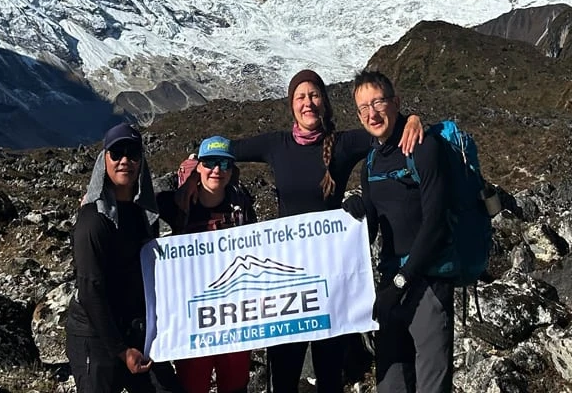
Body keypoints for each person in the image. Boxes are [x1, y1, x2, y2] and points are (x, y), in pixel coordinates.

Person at [177, 69, 423, 393]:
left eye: (314, 95)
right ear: (291, 105)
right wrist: (197, 160)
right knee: (284, 376)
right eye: (300, 97)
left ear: (325, 102)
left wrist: (413, 120)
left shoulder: (343, 144)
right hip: (287, 285)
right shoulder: (277, 145)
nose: (308, 103)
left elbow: (386, 130)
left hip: (331, 282)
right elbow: (230, 148)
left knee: (330, 375)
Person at [348, 70, 453, 393]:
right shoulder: (370, 162)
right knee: (391, 384)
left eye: (378, 102)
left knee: (431, 384)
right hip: (392, 285)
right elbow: (375, 225)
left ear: (395, 103)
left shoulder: (423, 148)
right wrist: (357, 213)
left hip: (428, 282)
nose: (372, 113)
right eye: (363, 107)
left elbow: (435, 223)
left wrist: (402, 280)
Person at [65, 123, 182, 393]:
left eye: (132, 153)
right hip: (94, 333)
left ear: (142, 161)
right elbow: (90, 287)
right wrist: (120, 350)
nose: (125, 161)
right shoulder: (93, 221)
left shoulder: (146, 211)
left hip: (135, 328)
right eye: (116, 153)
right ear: (103, 159)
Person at [169, 136, 257, 393]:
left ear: (232, 170)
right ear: (198, 166)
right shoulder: (175, 205)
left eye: (224, 164)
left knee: (235, 384)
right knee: (193, 384)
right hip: (193, 318)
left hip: (235, 315)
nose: (216, 170)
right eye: (209, 163)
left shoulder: (242, 206)